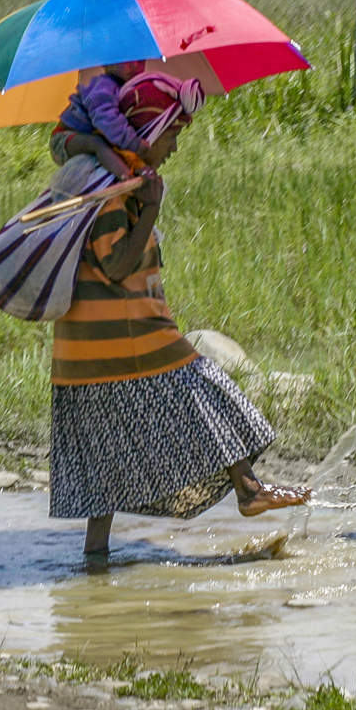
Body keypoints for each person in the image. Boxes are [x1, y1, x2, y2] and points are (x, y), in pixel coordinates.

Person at [49, 79, 312, 556]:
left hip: (83, 352)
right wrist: (150, 209)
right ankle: (249, 491)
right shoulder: (114, 193)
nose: (173, 148)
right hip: (130, 341)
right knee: (211, 391)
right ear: (146, 131)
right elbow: (115, 265)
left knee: (103, 459)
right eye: (170, 135)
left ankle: (96, 560)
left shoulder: (109, 182)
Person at [50, 61, 152, 181]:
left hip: (89, 135)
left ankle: (134, 171)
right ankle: (126, 176)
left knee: (108, 145)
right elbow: (106, 119)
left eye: (140, 60)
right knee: (97, 143)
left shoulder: (128, 86)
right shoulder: (103, 86)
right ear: (107, 63)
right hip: (63, 139)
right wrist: (133, 142)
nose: (133, 65)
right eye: (124, 59)